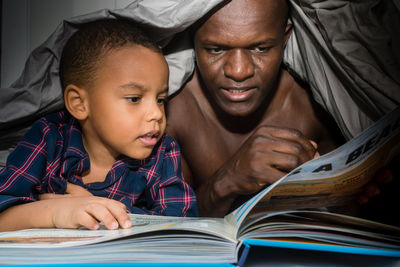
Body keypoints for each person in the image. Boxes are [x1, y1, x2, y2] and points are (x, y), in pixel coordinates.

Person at [0, 19, 198, 232]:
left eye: (160, 99)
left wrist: (95, 203)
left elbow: (182, 225)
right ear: (79, 104)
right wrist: (55, 211)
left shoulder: (162, 151)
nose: (157, 114)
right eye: (134, 98)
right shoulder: (48, 137)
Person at [166, 0, 349, 217]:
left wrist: (359, 202)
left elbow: (342, 212)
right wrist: (225, 183)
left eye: (261, 48)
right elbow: (172, 233)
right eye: (215, 49)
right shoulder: (173, 114)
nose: (239, 71)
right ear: (193, 43)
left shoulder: (316, 106)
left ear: (285, 38)